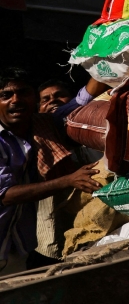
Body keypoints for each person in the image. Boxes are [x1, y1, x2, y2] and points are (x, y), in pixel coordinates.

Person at [0, 68, 106, 274]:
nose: (16, 100)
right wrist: (68, 180)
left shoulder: (44, 126)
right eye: (6, 95)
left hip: (18, 249)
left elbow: (83, 98)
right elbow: (6, 195)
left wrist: (106, 61)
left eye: (23, 93)